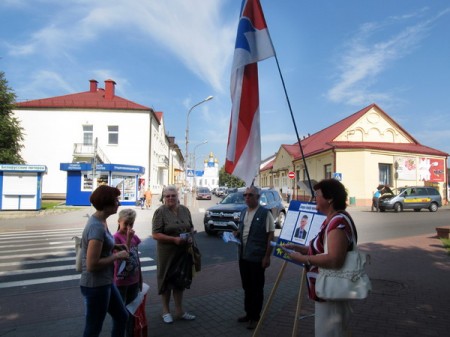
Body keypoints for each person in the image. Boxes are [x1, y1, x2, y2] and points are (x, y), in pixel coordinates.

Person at [285, 178, 357, 337]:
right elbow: (324, 250)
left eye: (317, 194)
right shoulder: (331, 220)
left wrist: (304, 259)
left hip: (332, 292)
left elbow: (334, 259)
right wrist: (299, 248)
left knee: (330, 332)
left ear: (330, 198)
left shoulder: (338, 222)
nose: (314, 197)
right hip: (327, 290)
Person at [79, 185, 130, 337]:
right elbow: (92, 265)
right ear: (107, 204)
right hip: (96, 285)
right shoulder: (96, 227)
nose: (118, 203)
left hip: (105, 281)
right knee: (93, 328)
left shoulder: (101, 221)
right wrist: (117, 256)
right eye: (116, 200)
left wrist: (114, 245)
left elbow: (101, 246)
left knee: (122, 316)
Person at [152, 185, 196, 324]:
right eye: (167, 196)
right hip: (167, 253)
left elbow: (191, 226)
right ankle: (165, 311)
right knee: (166, 281)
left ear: (178, 196)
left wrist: (190, 236)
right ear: (164, 198)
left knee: (180, 281)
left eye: (173, 195)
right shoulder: (160, 212)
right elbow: (155, 234)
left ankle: (179, 311)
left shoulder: (185, 210)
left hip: (183, 252)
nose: (170, 198)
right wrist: (173, 239)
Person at [235, 185, 275, 330]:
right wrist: (236, 233)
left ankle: (255, 317)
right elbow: (244, 231)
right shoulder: (243, 212)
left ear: (257, 197)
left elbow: (270, 235)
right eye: (245, 195)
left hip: (257, 257)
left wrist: (267, 257)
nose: (247, 197)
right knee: (247, 286)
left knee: (256, 287)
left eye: (250, 195)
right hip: (243, 256)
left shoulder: (265, 213)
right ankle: (248, 313)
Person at [113, 208, 142, 337]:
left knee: (132, 311)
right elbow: (123, 255)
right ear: (119, 222)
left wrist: (140, 277)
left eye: (132, 224)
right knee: (121, 312)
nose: (129, 227)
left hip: (134, 280)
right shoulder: (116, 238)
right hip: (120, 281)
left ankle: (130, 333)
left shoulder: (134, 237)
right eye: (126, 224)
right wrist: (128, 239)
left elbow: (136, 257)